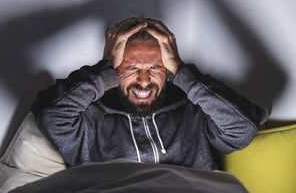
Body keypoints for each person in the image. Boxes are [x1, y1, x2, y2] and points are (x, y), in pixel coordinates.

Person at [31, 17, 266, 170]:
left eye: (155, 68)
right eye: (131, 68)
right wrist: (103, 69)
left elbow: (243, 127)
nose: (144, 81)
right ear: (113, 69)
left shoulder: (195, 114)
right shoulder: (90, 121)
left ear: (169, 69)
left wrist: (183, 72)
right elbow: (50, 115)